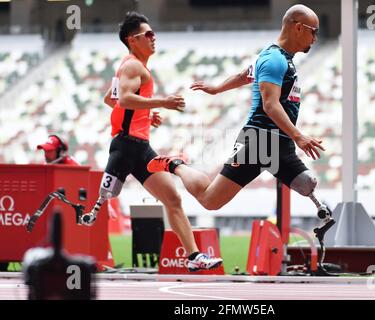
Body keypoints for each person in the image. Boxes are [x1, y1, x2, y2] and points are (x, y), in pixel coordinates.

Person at [147, 5, 333, 222]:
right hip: (259, 141)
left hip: (280, 143)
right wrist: (299, 136)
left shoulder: (279, 58)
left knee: (307, 183)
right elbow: (270, 105)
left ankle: (324, 224)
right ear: (299, 28)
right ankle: (175, 165)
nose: (316, 37)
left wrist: (217, 89)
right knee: (210, 200)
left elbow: (245, 75)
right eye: (314, 31)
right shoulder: (274, 59)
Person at [81, 12, 222, 272]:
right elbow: (123, 99)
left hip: (140, 148)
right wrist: (162, 103)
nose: (153, 38)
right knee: (102, 201)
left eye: (153, 33)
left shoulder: (135, 67)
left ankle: (193, 257)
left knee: (173, 199)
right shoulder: (132, 66)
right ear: (131, 40)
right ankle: (72, 241)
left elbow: (109, 99)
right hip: (126, 145)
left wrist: (144, 113)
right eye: (147, 34)